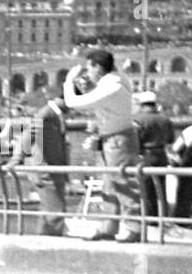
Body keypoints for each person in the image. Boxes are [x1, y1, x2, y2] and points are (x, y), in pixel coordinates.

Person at [64, 50, 140, 242]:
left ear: (98, 67)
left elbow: (73, 103)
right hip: (113, 138)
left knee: (123, 182)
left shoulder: (112, 88)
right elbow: (98, 97)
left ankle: (135, 228)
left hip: (117, 139)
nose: (87, 72)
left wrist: (68, 81)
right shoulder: (117, 81)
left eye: (89, 67)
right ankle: (109, 226)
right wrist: (89, 85)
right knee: (109, 185)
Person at [13, 88, 70, 236]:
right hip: (44, 170)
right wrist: (16, 158)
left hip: (53, 170)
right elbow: (28, 135)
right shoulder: (47, 114)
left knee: (49, 211)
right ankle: (51, 246)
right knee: (56, 211)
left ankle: (44, 242)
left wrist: (65, 172)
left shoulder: (56, 115)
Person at [132, 90, 174, 231]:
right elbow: (171, 139)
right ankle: (162, 217)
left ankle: (150, 219)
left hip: (145, 155)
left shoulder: (137, 119)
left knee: (146, 189)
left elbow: (135, 140)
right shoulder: (165, 119)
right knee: (161, 188)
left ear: (142, 104)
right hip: (161, 155)